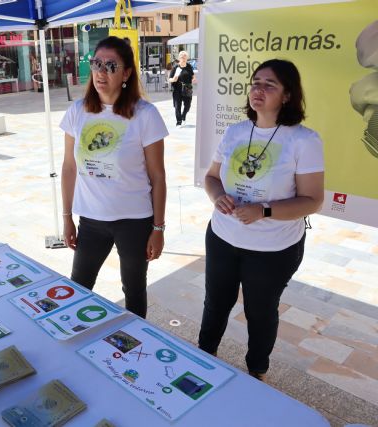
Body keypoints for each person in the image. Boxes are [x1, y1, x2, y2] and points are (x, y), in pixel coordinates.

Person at [198, 59, 324, 381]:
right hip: (223, 238)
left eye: (270, 85)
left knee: (260, 314)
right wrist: (217, 196)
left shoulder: (303, 140)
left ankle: (257, 374)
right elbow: (211, 177)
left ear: (287, 95)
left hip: (272, 249)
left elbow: (313, 201)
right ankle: (202, 357)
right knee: (215, 304)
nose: (259, 89)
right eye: (255, 82)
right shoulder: (235, 131)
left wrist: (263, 210)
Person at [60, 36, 168, 319]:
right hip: (91, 220)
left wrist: (158, 228)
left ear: (127, 73)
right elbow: (69, 168)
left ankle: (138, 340)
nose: (101, 72)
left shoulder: (145, 115)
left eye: (110, 65)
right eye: (97, 63)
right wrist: (66, 217)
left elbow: (158, 176)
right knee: (79, 285)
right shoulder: (77, 111)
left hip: (134, 221)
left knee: (133, 289)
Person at [168, 51, 196, 126]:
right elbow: (170, 79)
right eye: (182, 57)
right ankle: (179, 122)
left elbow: (193, 76)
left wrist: (193, 79)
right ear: (179, 58)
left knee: (187, 105)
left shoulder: (189, 66)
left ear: (187, 58)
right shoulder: (175, 67)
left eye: (185, 57)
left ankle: (183, 116)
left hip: (187, 89)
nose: (183, 58)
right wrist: (173, 79)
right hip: (177, 89)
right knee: (177, 106)